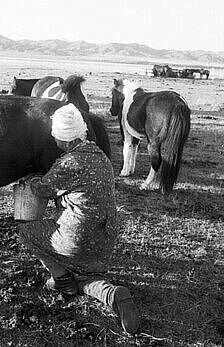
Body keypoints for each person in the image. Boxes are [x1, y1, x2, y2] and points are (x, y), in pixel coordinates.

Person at [17, 105, 140, 334]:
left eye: (55, 137)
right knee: (85, 278)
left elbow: (43, 189)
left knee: (26, 232)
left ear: (64, 140)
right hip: (105, 239)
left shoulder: (68, 163)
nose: (54, 141)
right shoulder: (100, 156)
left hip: (78, 238)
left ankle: (61, 277)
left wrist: (32, 179)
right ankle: (110, 294)